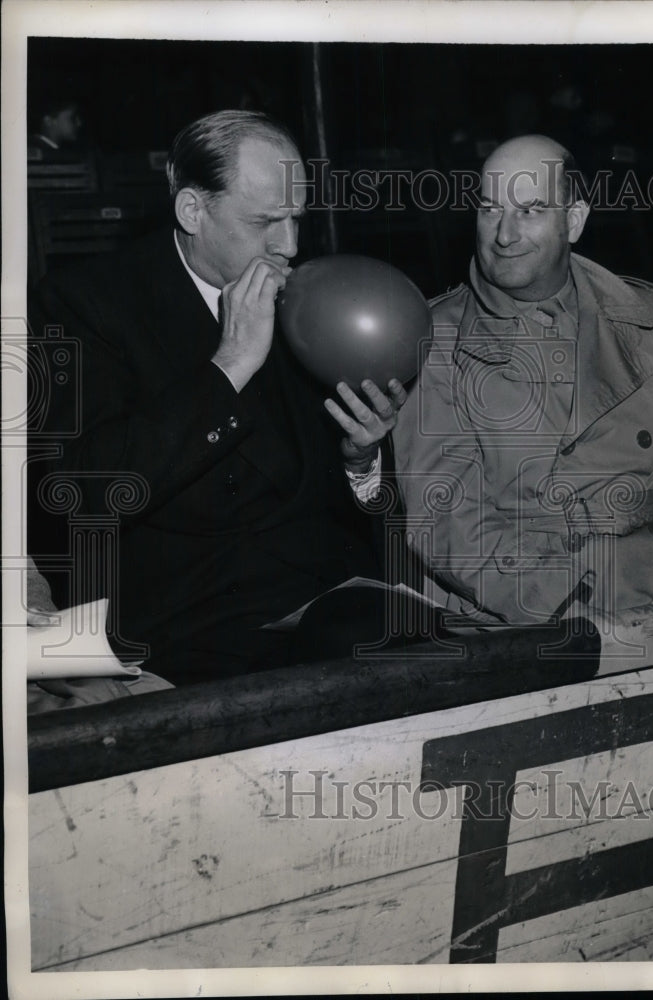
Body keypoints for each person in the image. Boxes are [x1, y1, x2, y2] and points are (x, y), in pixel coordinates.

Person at [28, 109, 412, 686]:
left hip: (324, 601)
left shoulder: (305, 298)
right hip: (186, 623)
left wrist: (361, 464)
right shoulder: (84, 305)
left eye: (296, 218)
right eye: (266, 221)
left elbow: (354, 512)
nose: (290, 245)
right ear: (193, 210)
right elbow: (80, 492)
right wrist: (228, 366)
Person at [393, 135, 653, 627]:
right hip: (544, 612)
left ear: (575, 220)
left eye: (531, 210)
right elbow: (448, 526)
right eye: (489, 209)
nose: (504, 235)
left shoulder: (652, 318)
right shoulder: (432, 339)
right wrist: (584, 612)